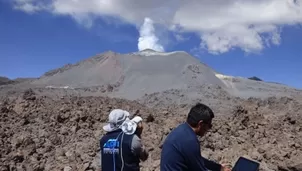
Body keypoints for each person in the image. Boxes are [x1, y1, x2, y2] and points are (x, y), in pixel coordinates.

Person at [160, 103, 231, 171]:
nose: (209, 129)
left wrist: (219, 168)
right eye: (209, 125)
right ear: (201, 124)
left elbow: (197, 159)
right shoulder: (190, 141)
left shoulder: (182, 130)